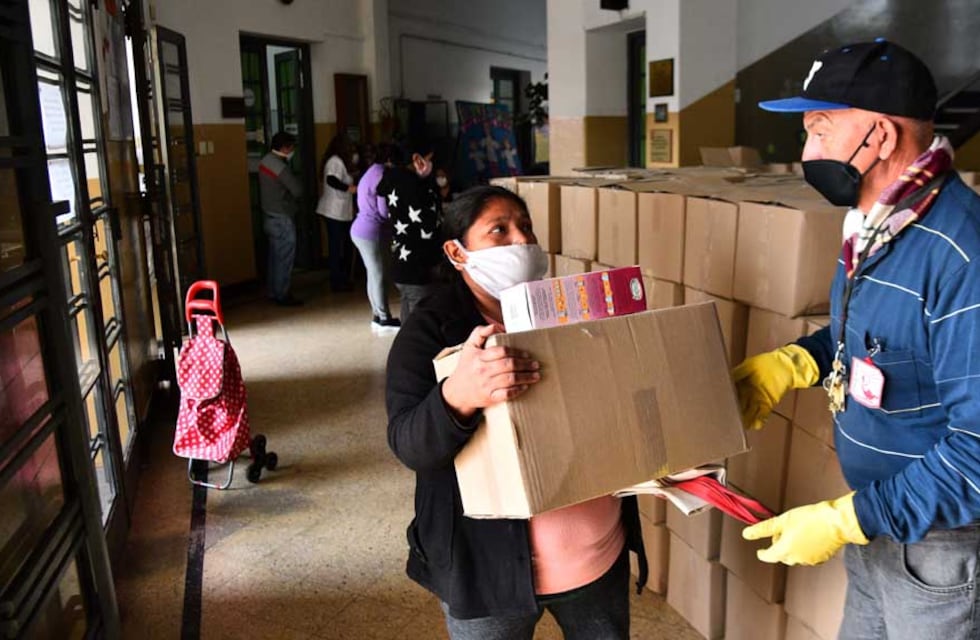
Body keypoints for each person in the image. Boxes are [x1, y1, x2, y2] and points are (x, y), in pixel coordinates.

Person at [733, 40, 980, 638]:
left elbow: (977, 454)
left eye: (819, 130)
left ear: (882, 137)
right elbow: (876, 337)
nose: (806, 151)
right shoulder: (877, 226)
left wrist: (849, 519)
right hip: (875, 523)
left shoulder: (960, 255)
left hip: (934, 546)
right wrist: (796, 362)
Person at [385, 185, 648, 640]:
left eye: (525, 227)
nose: (520, 242)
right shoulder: (429, 329)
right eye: (499, 231)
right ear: (457, 251)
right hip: (488, 576)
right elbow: (408, 442)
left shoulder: (569, 310)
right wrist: (457, 397)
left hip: (597, 560)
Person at [376, 141, 443, 323]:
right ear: (417, 159)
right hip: (418, 262)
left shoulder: (393, 180)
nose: (431, 164)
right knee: (421, 321)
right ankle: (414, 350)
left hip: (402, 258)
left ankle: (406, 348)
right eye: (429, 159)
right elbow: (429, 222)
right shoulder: (414, 186)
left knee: (409, 313)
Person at [351, 142, 400, 332]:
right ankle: (384, 318)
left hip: (361, 229)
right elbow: (384, 210)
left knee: (373, 274)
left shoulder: (371, 171)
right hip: (371, 231)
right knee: (378, 274)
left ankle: (378, 315)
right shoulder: (382, 176)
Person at [259, 131, 303, 306]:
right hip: (282, 216)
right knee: (284, 258)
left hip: (268, 214)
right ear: (285, 147)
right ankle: (283, 294)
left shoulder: (265, 161)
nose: (293, 150)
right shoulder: (279, 166)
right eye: (291, 147)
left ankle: (273, 291)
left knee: (275, 257)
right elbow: (297, 190)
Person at [316, 133, 357, 292]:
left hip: (341, 210)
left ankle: (343, 277)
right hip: (334, 210)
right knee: (335, 247)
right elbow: (331, 180)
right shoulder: (335, 161)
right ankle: (337, 280)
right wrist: (349, 188)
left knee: (343, 245)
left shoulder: (340, 162)